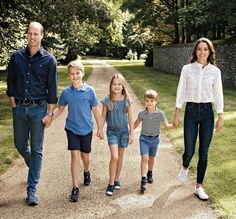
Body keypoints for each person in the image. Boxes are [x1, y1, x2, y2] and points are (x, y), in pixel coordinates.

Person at [6, 21, 57, 206]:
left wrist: (50, 114)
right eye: (29, 33)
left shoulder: (49, 60)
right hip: (19, 107)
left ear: (42, 36)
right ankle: (33, 166)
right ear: (27, 35)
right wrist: (13, 104)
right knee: (19, 144)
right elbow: (10, 82)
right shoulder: (16, 57)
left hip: (38, 109)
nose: (32, 37)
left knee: (37, 149)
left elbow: (52, 88)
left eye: (36, 34)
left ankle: (32, 189)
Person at [173, 37, 224, 200]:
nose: (202, 52)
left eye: (205, 49)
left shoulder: (215, 72)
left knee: (204, 152)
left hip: (208, 112)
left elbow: (218, 94)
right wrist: (176, 113)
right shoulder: (187, 69)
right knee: (189, 151)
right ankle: (185, 165)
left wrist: (220, 115)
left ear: (210, 52)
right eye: (199, 49)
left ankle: (199, 186)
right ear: (195, 51)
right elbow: (181, 91)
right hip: (191, 112)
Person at [52, 60, 102, 202]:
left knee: (85, 157)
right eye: (72, 74)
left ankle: (86, 172)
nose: (75, 76)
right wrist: (50, 117)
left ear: (82, 73)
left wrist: (99, 128)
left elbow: (95, 110)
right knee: (75, 156)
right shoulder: (66, 92)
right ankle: (75, 187)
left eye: (77, 73)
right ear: (69, 76)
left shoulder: (90, 91)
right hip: (72, 129)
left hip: (86, 129)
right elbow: (60, 109)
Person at [100, 73, 134, 196]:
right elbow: (103, 115)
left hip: (124, 131)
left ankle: (117, 178)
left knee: (120, 157)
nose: (117, 86)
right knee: (114, 156)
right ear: (111, 86)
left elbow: (130, 118)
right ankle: (110, 183)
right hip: (112, 131)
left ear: (123, 86)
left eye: (119, 84)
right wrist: (100, 128)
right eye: (114, 84)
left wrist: (131, 133)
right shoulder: (107, 100)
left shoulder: (126, 100)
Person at [134, 89, 173, 193]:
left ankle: (149, 172)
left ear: (156, 101)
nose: (149, 103)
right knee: (145, 158)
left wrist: (173, 125)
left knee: (151, 158)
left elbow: (165, 125)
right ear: (144, 101)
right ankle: (143, 180)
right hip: (144, 139)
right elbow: (136, 123)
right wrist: (129, 131)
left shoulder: (160, 113)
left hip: (155, 139)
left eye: (152, 101)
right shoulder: (142, 113)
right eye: (147, 101)